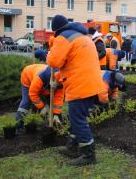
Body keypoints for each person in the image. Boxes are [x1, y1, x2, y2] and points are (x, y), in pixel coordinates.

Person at [47, 15, 104, 166]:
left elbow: (53, 61)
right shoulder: (82, 36)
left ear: (56, 30)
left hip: (80, 86)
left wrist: (52, 46)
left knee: (78, 120)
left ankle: (89, 155)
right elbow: (75, 64)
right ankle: (72, 146)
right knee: (76, 118)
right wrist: (58, 79)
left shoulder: (63, 37)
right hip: (91, 83)